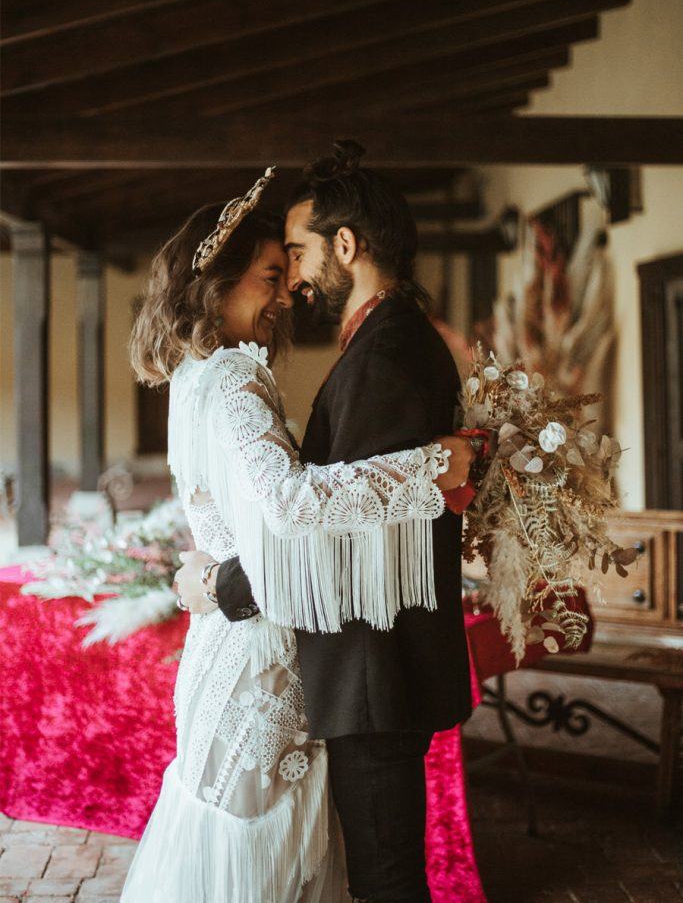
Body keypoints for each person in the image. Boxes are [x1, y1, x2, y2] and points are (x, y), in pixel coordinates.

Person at [122, 163, 473, 903]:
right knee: (269, 857)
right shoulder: (231, 378)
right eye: (270, 277)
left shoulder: (199, 376)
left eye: (292, 266)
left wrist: (214, 581)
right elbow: (287, 506)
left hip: (282, 650)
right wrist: (434, 466)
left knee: (272, 851)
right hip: (263, 657)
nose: (287, 293)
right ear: (215, 288)